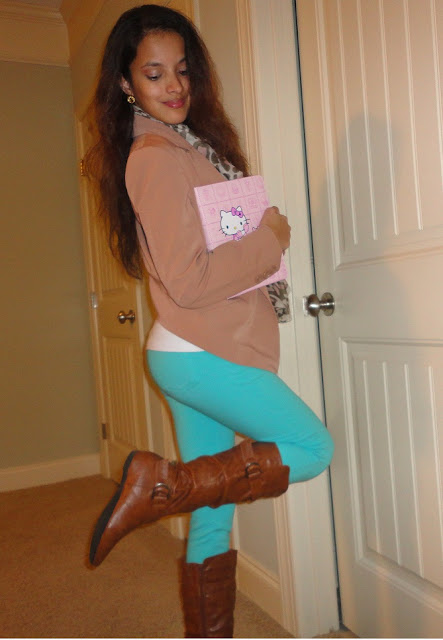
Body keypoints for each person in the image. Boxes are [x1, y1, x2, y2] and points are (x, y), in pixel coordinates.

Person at [86, 5, 334, 638]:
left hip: (190, 350)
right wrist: (271, 239)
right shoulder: (155, 156)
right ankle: (163, 485)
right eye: (154, 74)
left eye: (183, 71)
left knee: (212, 514)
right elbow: (192, 280)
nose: (173, 86)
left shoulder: (185, 146)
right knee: (313, 449)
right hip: (202, 351)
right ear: (126, 83)